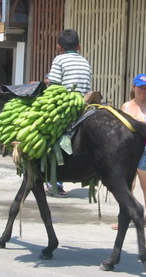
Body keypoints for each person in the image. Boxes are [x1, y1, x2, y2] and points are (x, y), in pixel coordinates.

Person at [111, 73, 146, 230]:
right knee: (127, 186)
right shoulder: (126, 106)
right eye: (140, 87)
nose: (143, 90)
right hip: (127, 151)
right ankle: (125, 217)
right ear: (133, 87)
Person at [45, 29, 92, 196]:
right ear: (79, 46)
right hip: (86, 105)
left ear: (59, 47)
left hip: (67, 105)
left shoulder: (59, 60)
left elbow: (55, 86)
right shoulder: (85, 61)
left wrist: (47, 83)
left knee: (47, 133)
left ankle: (54, 181)